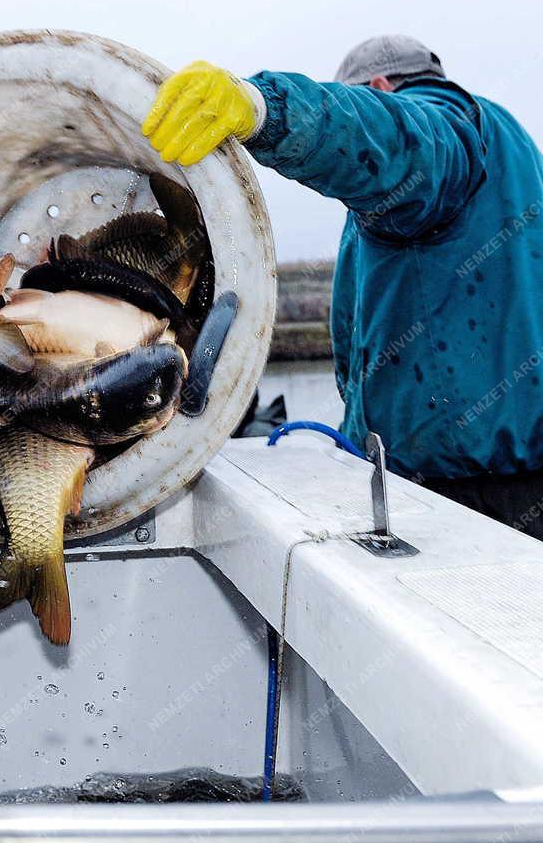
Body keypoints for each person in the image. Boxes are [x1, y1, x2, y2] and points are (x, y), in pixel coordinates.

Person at [142, 36, 543, 537]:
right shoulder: (514, 149)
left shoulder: (440, 131)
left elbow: (392, 136)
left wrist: (268, 109)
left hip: (460, 496)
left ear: (379, 88)